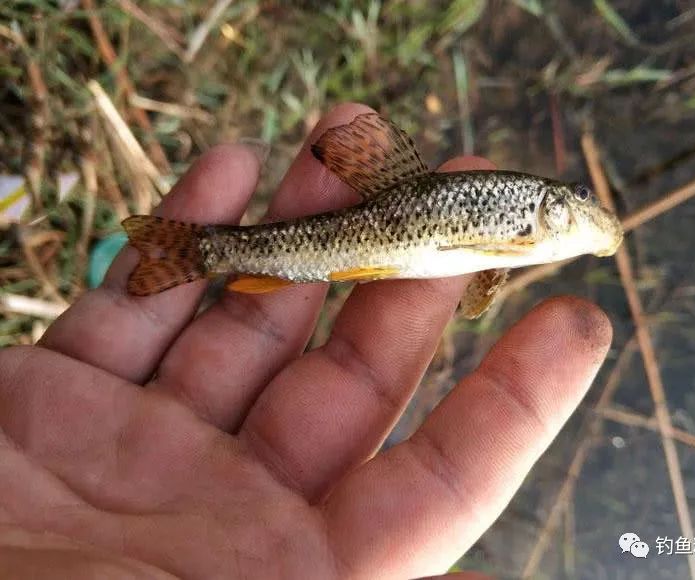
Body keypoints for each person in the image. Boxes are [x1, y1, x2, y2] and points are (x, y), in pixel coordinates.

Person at [0, 103, 612, 579]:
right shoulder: (525, 213)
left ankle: (201, 249)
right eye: (579, 199)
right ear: (552, 209)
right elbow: (481, 289)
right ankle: (202, 248)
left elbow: (481, 287)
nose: (588, 209)